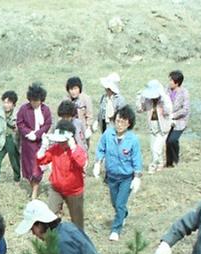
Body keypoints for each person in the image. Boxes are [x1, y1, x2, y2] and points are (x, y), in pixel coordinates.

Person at [93, 105, 143, 242]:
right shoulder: (108, 134)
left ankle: (116, 229)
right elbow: (101, 149)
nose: (119, 124)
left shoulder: (133, 140)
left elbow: (137, 159)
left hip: (126, 177)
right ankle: (123, 214)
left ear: (129, 123)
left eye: (123, 122)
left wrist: (137, 177)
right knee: (115, 203)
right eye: (118, 120)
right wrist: (98, 163)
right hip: (111, 176)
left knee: (120, 203)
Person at [36, 122, 88, 230]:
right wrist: (44, 146)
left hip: (74, 191)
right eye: (58, 141)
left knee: (77, 221)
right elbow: (41, 160)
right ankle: (53, 240)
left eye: (63, 142)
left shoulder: (78, 150)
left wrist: (73, 148)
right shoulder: (55, 149)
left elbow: (82, 162)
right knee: (49, 217)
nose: (60, 144)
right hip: (56, 188)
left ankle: (78, 243)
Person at [16, 82, 53, 200]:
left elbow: (47, 124)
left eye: (37, 101)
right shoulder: (24, 109)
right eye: (32, 100)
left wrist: (37, 134)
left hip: (40, 143)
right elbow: (19, 122)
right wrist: (28, 133)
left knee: (37, 167)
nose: (35, 103)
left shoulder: (45, 110)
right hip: (27, 144)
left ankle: (35, 191)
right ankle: (32, 185)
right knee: (28, 167)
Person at [136, 79, 173, 173]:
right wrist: (139, 98)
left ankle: (152, 166)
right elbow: (140, 109)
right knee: (153, 148)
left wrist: (164, 99)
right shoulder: (148, 100)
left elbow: (168, 112)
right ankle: (159, 163)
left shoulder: (165, 99)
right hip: (152, 127)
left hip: (163, 127)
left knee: (157, 148)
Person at [0, 90, 21, 190]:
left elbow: (21, 127)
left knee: (14, 160)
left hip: (12, 140)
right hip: (1, 139)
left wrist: (17, 128)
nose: (6, 105)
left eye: (9, 102)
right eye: (5, 102)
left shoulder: (17, 113)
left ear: (13, 104)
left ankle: (17, 178)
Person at [166, 70, 190, 167]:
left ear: (177, 82)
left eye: (171, 80)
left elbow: (185, 109)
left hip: (179, 121)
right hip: (167, 120)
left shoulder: (184, 93)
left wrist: (173, 115)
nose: (169, 82)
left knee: (173, 140)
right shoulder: (166, 90)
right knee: (167, 141)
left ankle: (175, 160)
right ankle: (169, 162)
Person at [66, 76, 94, 145]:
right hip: (69, 129)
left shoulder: (86, 99)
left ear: (79, 88)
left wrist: (88, 128)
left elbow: (89, 115)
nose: (73, 92)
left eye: (75, 89)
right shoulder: (66, 100)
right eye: (71, 89)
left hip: (82, 129)